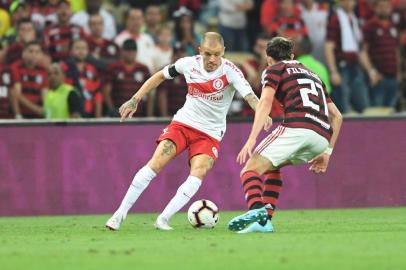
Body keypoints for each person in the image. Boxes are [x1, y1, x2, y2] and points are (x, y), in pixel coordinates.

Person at [105, 32, 272, 231]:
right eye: (208, 54)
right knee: (155, 164)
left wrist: (261, 112)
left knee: (198, 172)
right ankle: (119, 215)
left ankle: (163, 219)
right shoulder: (188, 64)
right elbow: (159, 76)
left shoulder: (231, 71)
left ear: (223, 52)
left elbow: (251, 97)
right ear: (200, 50)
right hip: (183, 124)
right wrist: (135, 99)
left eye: (217, 54)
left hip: (209, 133)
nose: (212, 59)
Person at [227, 37, 343, 233]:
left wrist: (252, 139)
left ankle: (256, 210)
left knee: (249, 170)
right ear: (292, 55)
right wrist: (328, 153)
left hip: (298, 127)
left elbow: (265, 102)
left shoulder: (273, 69)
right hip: (322, 137)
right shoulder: (313, 74)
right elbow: (338, 116)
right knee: (273, 167)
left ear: (268, 58)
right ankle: (265, 224)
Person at [103, 39, 151, 117]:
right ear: (122, 51)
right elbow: (106, 91)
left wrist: (149, 115)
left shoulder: (143, 69)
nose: (130, 53)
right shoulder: (114, 67)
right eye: (128, 50)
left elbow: (149, 94)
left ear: (136, 52)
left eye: (133, 50)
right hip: (118, 114)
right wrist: (111, 110)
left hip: (138, 115)